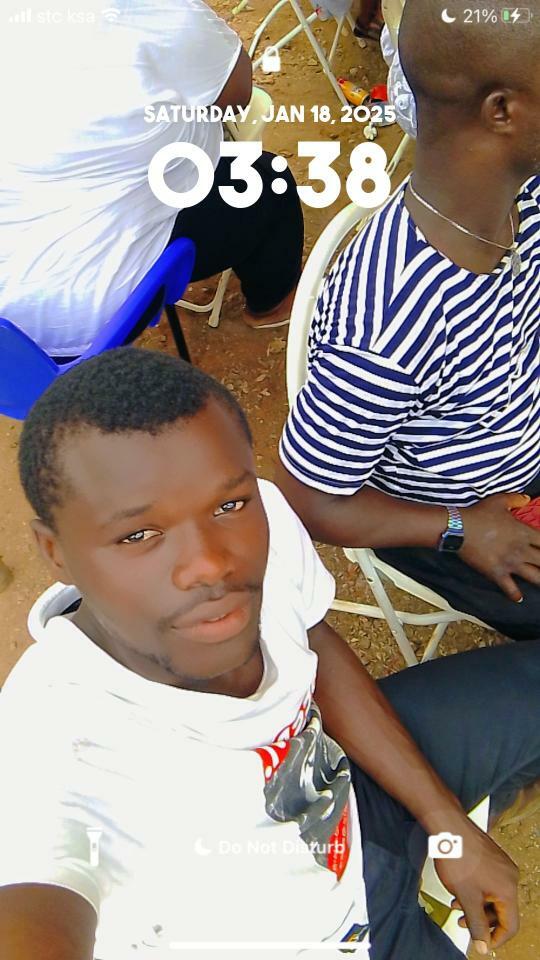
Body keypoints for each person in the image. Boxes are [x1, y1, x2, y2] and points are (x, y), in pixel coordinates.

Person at [0, 347, 538, 960]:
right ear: (56, 552)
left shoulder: (265, 518)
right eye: (138, 535)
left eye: (228, 505)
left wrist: (449, 828)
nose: (210, 563)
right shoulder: (57, 747)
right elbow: (36, 900)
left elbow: (310, 641)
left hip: (357, 791)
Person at [277, 0, 540, 640]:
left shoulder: (521, 195)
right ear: (501, 111)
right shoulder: (391, 322)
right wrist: (459, 529)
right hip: (456, 515)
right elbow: (306, 497)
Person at [0, 0, 303, 358]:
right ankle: (271, 305)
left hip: (10, 331)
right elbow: (237, 97)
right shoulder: (165, 15)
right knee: (267, 181)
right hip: (95, 316)